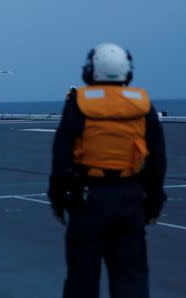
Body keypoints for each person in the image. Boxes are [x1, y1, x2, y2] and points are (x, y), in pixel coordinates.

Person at [48, 43, 166, 298]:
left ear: (90, 71)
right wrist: (154, 202)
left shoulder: (78, 103)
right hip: (130, 200)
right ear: (128, 71)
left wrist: (58, 200)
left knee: (82, 278)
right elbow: (158, 162)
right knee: (130, 277)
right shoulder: (143, 105)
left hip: (87, 200)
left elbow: (60, 158)